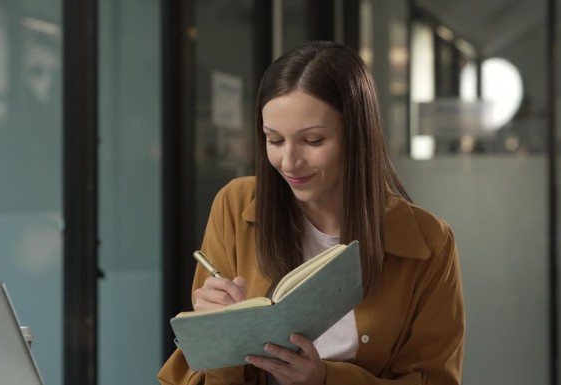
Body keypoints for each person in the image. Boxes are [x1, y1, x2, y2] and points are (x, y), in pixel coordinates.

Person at [158, 40, 465, 385]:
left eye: (314, 141)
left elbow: (435, 379)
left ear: (357, 136)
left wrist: (325, 379)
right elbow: (201, 375)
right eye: (274, 140)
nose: (289, 162)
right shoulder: (235, 206)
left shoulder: (428, 243)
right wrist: (216, 335)